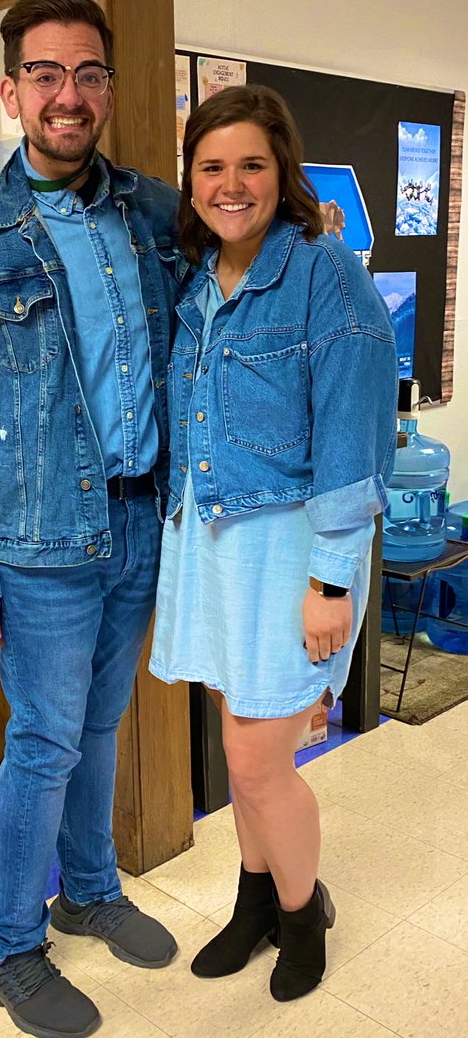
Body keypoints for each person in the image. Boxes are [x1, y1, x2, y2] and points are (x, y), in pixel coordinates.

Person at [0, 0, 185, 1038]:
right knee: (43, 744)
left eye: (89, 73)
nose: (71, 95)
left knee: (98, 726)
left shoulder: (154, 213)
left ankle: (89, 889)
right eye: (47, 74)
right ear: (12, 92)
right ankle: (6, 948)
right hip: (34, 544)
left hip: (135, 525)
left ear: (106, 86)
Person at [149, 84, 397, 1003]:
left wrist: (332, 578)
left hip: (292, 548)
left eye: (251, 163)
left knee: (258, 761)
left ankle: (301, 918)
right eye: (211, 166)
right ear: (190, 181)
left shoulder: (322, 269)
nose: (230, 183)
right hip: (211, 541)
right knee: (236, 734)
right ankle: (253, 902)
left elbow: (353, 429)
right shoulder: (196, 280)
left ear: (282, 171)